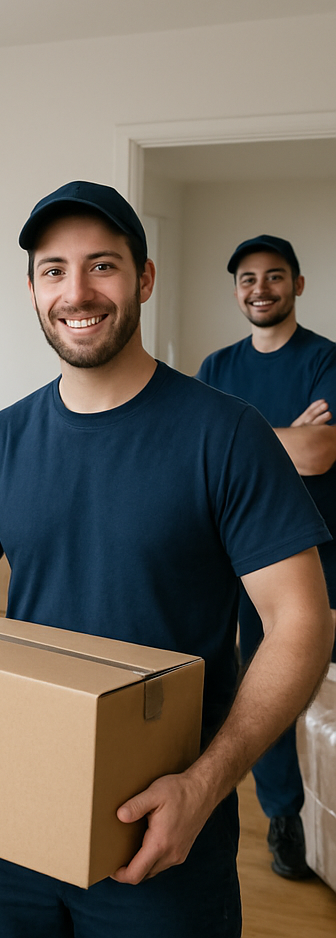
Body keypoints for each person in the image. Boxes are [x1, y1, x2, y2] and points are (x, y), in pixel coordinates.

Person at [0, 181, 334, 938]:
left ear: (143, 279)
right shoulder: (1, 441)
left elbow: (302, 620)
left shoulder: (225, 435)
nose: (76, 291)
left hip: (161, 829)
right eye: (53, 270)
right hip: (8, 809)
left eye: (102, 266)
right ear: (33, 289)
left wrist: (205, 787)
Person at [196, 233, 336, 880]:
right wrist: (287, 437)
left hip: (325, 548)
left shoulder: (326, 361)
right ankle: (283, 817)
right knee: (269, 685)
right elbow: (202, 460)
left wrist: (246, 440)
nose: (261, 289)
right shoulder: (217, 370)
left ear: (298, 285)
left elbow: (319, 455)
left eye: (275, 277)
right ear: (236, 291)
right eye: (248, 279)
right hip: (250, 560)